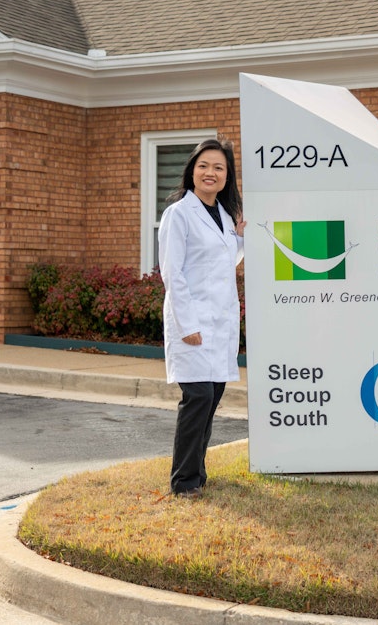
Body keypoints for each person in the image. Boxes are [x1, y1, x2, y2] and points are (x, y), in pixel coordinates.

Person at [158, 138, 246, 498]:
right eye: (204, 166)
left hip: (220, 324)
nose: (210, 173)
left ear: (227, 177)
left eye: (219, 168)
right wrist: (188, 325)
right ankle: (183, 482)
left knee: (211, 397)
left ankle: (198, 472)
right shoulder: (179, 213)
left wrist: (239, 240)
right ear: (192, 170)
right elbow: (172, 273)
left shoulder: (224, 216)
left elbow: (223, 262)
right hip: (192, 324)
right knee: (196, 398)